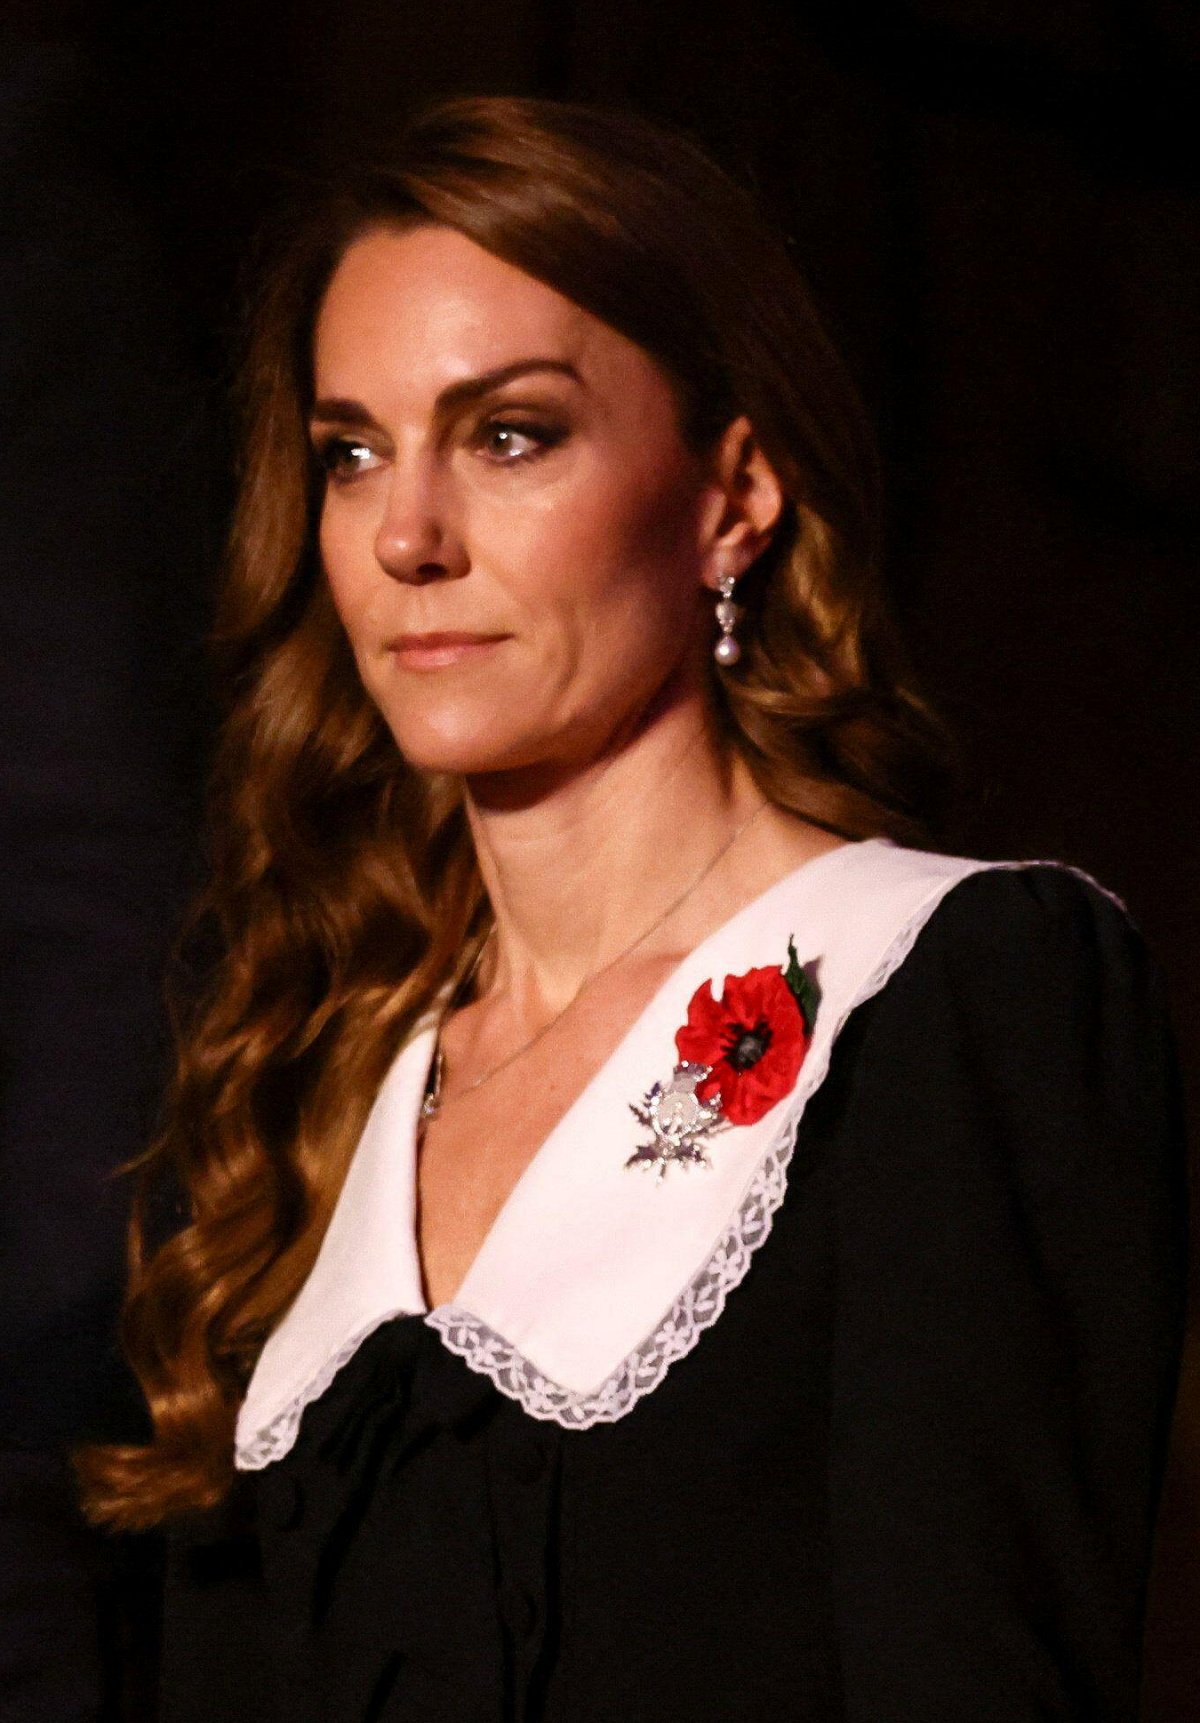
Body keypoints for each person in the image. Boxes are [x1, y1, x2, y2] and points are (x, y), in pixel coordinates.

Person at [79, 95, 1187, 1722]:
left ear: (732, 495)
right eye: (352, 452)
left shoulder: (945, 990)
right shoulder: (314, 1094)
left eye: (509, 434)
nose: (407, 536)